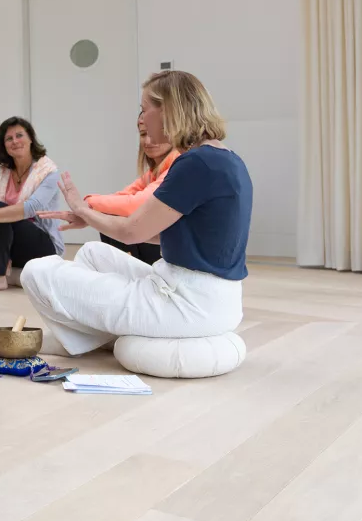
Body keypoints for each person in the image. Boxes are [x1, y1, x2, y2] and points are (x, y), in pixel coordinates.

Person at [25, 70, 252, 356]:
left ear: (168, 110)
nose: (141, 119)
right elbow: (170, 233)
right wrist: (91, 218)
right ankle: (88, 337)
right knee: (93, 253)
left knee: (35, 272)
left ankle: (85, 339)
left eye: (144, 109)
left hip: (187, 303)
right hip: (206, 294)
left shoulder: (196, 164)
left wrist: (83, 208)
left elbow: (132, 232)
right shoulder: (224, 158)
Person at [0, 117, 63, 293]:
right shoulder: (0, 172)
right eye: (9, 138)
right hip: (11, 243)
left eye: (19, 135)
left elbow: (31, 207)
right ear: (4, 145)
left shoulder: (49, 172)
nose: (15, 141)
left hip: (42, 246)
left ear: (30, 139)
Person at [85, 120, 179, 265]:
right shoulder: (154, 171)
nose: (148, 141)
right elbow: (124, 195)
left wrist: (87, 204)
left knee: (116, 215)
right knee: (110, 212)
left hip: (177, 249)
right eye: (143, 134)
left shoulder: (177, 165)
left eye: (154, 133)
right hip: (165, 241)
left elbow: (135, 204)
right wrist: (89, 208)